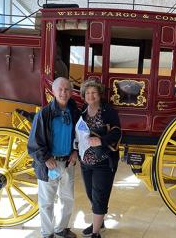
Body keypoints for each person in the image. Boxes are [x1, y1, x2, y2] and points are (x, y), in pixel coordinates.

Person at [28, 77, 80, 238]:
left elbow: (80, 136)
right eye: (60, 89)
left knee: (68, 199)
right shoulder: (44, 114)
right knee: (47, 202)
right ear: (53, 91)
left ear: (71, 92)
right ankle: (47, 232)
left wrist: (75, 151)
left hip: (68, 162)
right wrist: (45, 158)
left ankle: (60, 229)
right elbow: (34, 142)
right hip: (49, 164)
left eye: (67, 90)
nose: (63, 93)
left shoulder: (75, 113)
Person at [75, 79, 122, 238]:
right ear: (84, 95)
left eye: (94, 92)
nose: (90, 95)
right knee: (90, 194)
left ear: (100, 94)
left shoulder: (108, 111)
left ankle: (96, 233)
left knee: (100, 195)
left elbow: (117, 133)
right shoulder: (83, 111)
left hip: (104, 162)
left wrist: (101, 140)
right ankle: (99, 222)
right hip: (85, 162)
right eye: (87, 93)